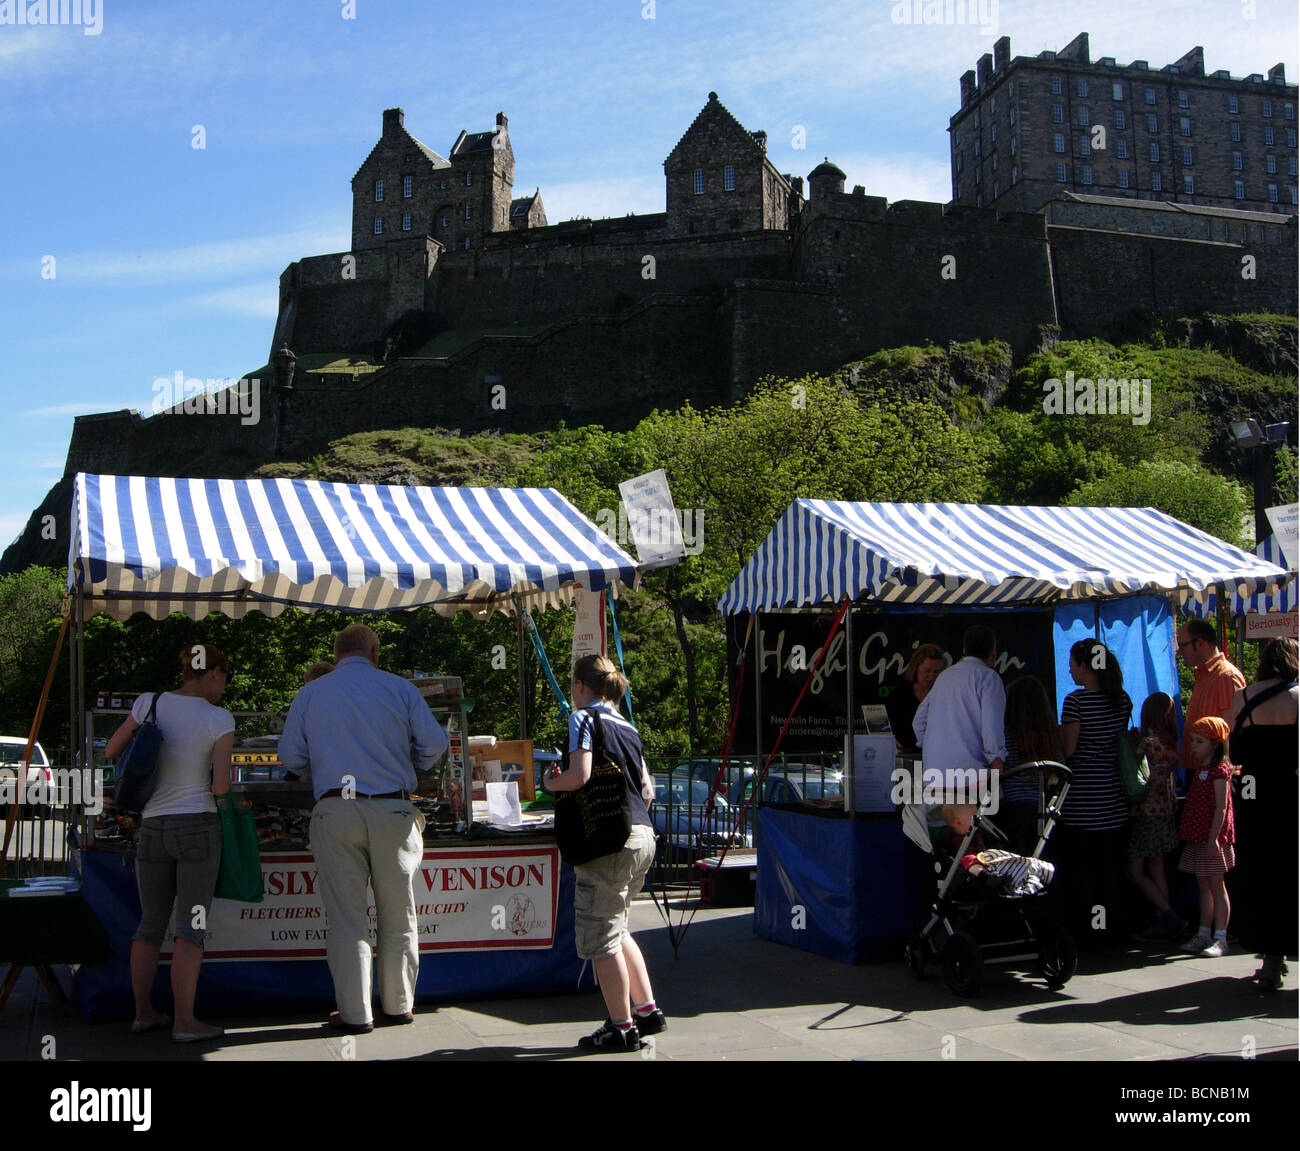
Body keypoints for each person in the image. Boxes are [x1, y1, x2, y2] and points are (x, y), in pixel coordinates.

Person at [279, 624, 448, 1033]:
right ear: (374, 652)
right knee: (399, 914)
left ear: (335, 655)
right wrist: (413, 762)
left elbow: (290, 758)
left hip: (336, 809)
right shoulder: (400, 689)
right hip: (392, 809)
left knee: (346, 918)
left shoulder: (311, 693)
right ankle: (399, 1006)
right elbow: (435, 745)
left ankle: (356, 1015)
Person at [103, 643, 235, 1043]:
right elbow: (220, 785)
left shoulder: (149, 703)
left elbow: (111, 750)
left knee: (149, 924)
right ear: (214, 672)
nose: (224, 687)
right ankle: (184, 1022)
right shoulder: (219, 718)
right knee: (190, 928)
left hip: (152, 826)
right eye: (224, 678)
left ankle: (143, 1012)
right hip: (197, 826)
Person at [544, 654, 661, 1052]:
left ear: (579, 686)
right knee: (619, 926)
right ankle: (646, 1010)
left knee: (602, 938)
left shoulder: (583, 719)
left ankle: (621, 1027)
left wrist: (551, 783)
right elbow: (647, 787)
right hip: (642, 834)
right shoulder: (627, 725)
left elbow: (580, 776)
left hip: (608, 841)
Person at [1225, 638, 1297, 990]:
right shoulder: (1298, 697)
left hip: (1255, 797)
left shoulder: (1245, 697)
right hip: (1292, 794)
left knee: (1263, 874)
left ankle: (1271, 959)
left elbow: (1233, 751)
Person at [1055, 639, 1132, 944]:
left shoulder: (1075, 702)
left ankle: (1088, 932)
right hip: (1112, 798)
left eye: (1073, 664)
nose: (1070, 670)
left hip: (1082, 800)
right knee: (1108, 871)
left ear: (1085, 667)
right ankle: (1109, 928)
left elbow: (1070, 749)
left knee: (1082, 872)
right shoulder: (1121, 700)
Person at [913, 625, 1007, 843]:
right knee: (974, 846)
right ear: (993, 652)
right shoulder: (988, 678)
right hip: (969, 779)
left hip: (935, 776)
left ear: (963, 649)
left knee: (943, 847)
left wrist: (931, 746)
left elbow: (919, 721)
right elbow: (992, 729)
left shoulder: (945, 677)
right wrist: (997, 763)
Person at [1126, 692, 1187, 943]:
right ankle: (1164, 920)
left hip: (1146, 812)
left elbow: (1133, 763)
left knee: (1135, 870)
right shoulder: (1172, 743)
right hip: (1165, 810)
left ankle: (1169, 915)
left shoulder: (1147, 744)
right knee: (1157, 867)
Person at [1177, 716, 1235, 958]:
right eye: (1192, 741)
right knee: (1203, 884)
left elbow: (1221, 807)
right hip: (1199, 836)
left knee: (1216, 884)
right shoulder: (1201, 769)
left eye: (1199, 742)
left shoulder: (1219, 771)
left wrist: (1214, 839)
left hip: (1213, 838)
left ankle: (1220, 937)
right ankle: (1203, 932)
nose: (1193, 746)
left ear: (1214, 743)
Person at [1000, 676, 1062, 856]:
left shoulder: (1005, 735)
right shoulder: (1050, 735)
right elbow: (1061, 767)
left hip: (1011, 809)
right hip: (1043, 809)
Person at [1176, 618, 1245, 772]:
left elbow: (1232, 731)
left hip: (1214, 774)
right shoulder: (1203, 674)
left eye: (1182, 646)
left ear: (1200, 643)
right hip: (1200, 770)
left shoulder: (1226, 676)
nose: (1180, 652)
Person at [886, 643, 945, 753]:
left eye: (936, 672)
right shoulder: (900, 693)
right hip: (906, 754)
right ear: (916, 668)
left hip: (937, 753)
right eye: (927, 671)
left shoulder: (944, 693)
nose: (931, 676)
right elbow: (888, 725)